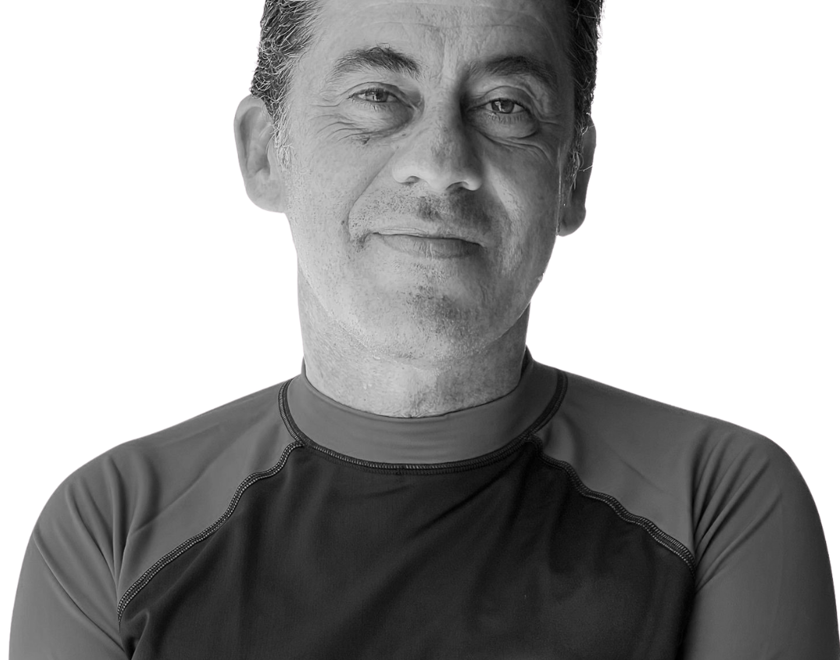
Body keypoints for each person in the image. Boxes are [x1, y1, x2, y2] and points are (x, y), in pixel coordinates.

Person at [9, 0, 839, 657]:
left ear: (573, 174)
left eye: (506, 106)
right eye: (379, 96)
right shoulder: (111, 529)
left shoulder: (718, 502)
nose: (441, 164)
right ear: (266, 152)